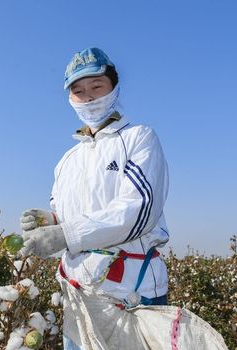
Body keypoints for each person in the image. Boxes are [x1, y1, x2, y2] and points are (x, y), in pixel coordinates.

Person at [20, 47, 171, 349]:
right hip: (79, 294)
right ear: (70, 99)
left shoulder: (137, 138)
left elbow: (140, 210)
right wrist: (51, 219)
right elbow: (68, 216)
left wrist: (65, 233)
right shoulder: (67, 160)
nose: (88, 96)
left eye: (96, 86)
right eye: (78, 91)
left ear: (114, 87)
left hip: (130, 291)